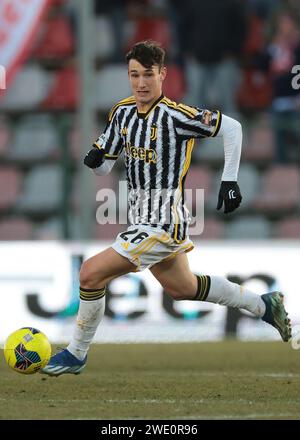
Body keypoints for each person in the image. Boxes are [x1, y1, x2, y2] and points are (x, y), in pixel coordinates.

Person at [41, 40, 291, 376]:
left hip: (163, 223)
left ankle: (76, 352)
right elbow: (105, 165)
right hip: (139, 219)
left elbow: (232, 127)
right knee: (182, 288)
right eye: (134, 75)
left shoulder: (176, 115)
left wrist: (229, 180)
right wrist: (96, 161)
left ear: (163, 75)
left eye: (148, 74)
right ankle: (264, 305)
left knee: (89, 273)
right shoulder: (122, 113)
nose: (141, 83)